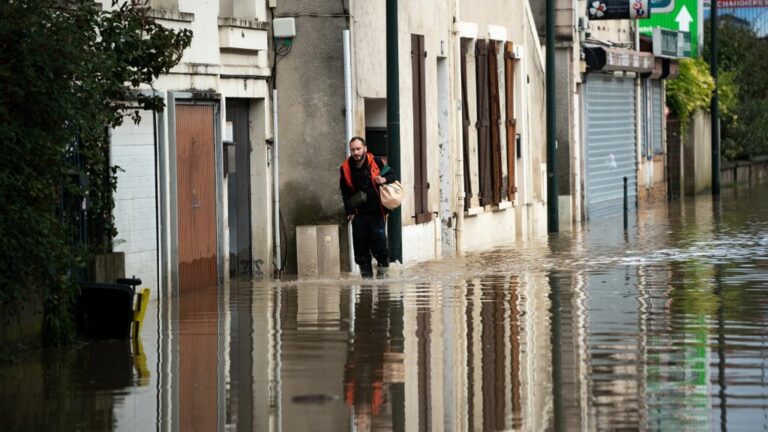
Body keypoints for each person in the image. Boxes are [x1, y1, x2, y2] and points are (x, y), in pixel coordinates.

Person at [340, 136, 397, 278]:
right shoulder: (345, 168)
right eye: (353, 150)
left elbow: (393, 175)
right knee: (360, 251)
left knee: (380, 248)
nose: (356, 152)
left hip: (377, 213)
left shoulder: (376, 162)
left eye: (358, 149)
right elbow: (345, 192)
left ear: (365, 148)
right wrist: (349, 211)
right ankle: (366, 282)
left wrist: (383, 179)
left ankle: (383, 278)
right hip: (358, 214)